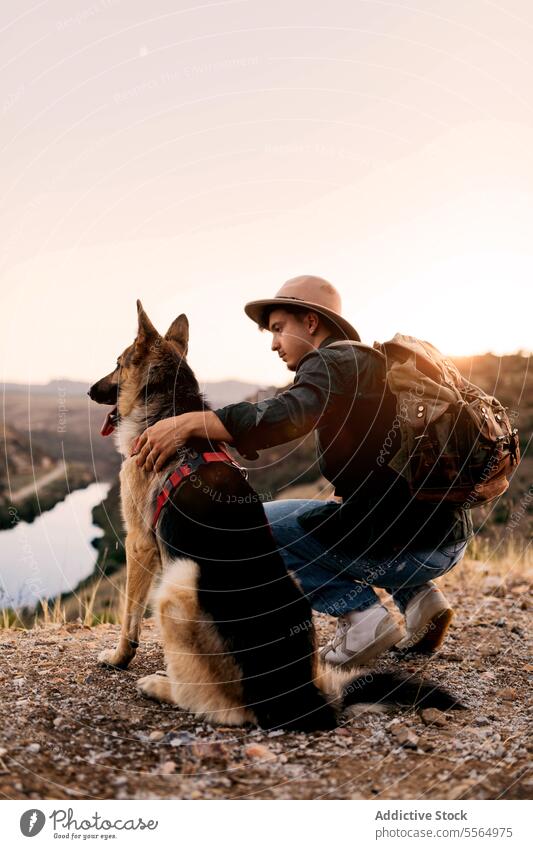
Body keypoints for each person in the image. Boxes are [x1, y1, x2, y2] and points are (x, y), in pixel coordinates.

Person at [132, 276, 473, 668]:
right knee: (328, 518)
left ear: (311, 322)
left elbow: (287, 416)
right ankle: (421, 602)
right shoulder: (370, 363)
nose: (273, 343)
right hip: (444, 541)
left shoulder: (330, 361)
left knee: (248, 525)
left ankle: (363, 619)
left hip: (409, 547)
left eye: (279, 329)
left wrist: (192, 423)